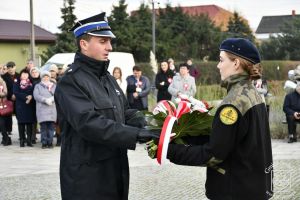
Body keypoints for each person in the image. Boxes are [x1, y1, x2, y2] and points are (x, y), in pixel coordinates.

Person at [54, 12, 159, 200]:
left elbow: (124, 110)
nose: (109, 47)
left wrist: (148, 121)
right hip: (87, 178)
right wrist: (136, 135)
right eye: (102, 41)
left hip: (115, 171)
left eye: (109, 41)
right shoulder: (70, 81)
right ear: (83, 44)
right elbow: (89, 123)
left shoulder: (107, 77)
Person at [165, 38, 273, 199]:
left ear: (236, 63)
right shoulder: (253, 92)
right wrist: (184, 136)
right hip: (252, 186)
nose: (218, 65)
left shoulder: (233, 103)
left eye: (221, 60)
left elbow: (213, 154)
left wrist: (168, 150)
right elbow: (228, 139)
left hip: (234, 190)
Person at [33, 71, 56, 148]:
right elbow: (36, 95)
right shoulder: (38, 86)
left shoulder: (53, 85)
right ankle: (44, 142)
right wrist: (45, 100)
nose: (46, 78)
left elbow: (57, 94)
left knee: (51, 128)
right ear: (41, 78)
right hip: (42, 109)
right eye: (44, 76)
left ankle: (50, 142)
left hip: (51, 110)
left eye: (47, 76)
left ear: (49, 77)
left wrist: (52, 99)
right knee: (43, 128)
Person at [13, 70, 35, 147]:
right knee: (21, 123)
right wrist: (26, 96)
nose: (25, 75)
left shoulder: (31, 83)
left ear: (28, 75)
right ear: (21, 75)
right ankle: (22, 140)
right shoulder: (17, 82)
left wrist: (31, 96)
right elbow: (16, 92)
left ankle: (29, 140)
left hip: (29, 105)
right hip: (20, 105)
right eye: (23, 74)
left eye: (26, 74)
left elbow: (33, 91)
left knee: (29, 123)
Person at [2, 61, 19, 136]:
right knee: (7, 116)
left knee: (19, 116)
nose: (10, 69)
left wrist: (16, 95)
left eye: (12, 67)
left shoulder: (19, 75)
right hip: (8, 99)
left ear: (15, 67)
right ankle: (8, 131)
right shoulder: (3, 77)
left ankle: (21, 134)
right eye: (9, 68)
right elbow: (3, 89)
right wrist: (10, 95)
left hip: (18, 99)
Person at [0, 76, 12, 146]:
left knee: (1, 123)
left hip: (2, 105)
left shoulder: (2, 82)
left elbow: (5, 92)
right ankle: (6, 138)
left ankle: (6, 138)